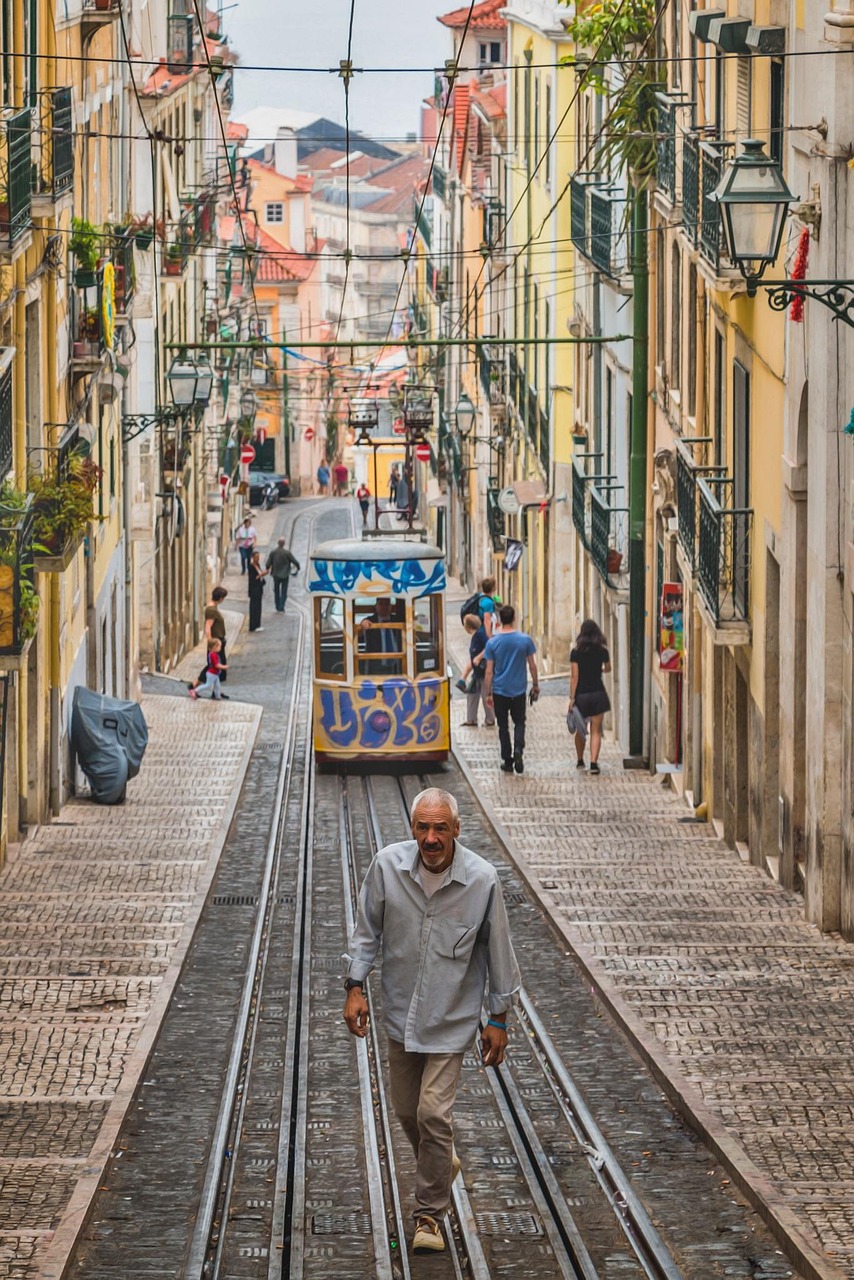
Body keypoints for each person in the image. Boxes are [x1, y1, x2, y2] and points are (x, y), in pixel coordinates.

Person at [343, 787, 520, 1255]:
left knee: (432, 1114)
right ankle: (442, 1163)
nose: (430, 837)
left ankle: (429, 1215)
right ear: (412, 828)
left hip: (451, 1019)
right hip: (400, 1014)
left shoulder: (482, 880)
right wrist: (354, 987)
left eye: (440, 827)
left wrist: (497, 1018)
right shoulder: (386, 867)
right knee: (406, 1111)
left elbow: (498, 949)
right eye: (422, 826)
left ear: (456, 831)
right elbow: (366, 932)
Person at [483, 604, 538, 774]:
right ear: (514, 618)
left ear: (499, 620)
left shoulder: (492, 643)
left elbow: (489, 671)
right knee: (520, 722)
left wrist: (488, 693)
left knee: (503, 726)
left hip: (500, 690)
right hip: (519, 690)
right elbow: (532, 665)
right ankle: (519, 750)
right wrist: (535, 685)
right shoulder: (525, 640)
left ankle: (507, 759)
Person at [569, 619, 611, 775]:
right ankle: (593, 763)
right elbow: (608, 668)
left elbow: (575, 677)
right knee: (596, 730)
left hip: (581, 696)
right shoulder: (602, 651)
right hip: (598, 693)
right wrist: (599, 669)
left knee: (580, 730)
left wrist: (572, 698)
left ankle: (580, 760)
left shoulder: (576, 652)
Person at [457, 613, 494, 728]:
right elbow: (472, 660)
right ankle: (471, 719)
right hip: (477, 672)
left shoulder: (479, 635)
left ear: (467, 626)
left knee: (485, 695)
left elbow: (489, 646)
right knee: (472, 695)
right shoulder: (475, 637)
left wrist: (479, 657)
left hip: (484, 671)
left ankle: (490, 719)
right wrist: (463, 677)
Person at [359, 597, 403, 674]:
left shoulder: (397, 620)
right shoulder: (370, 620)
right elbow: (361, 628)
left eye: (386, 604)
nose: (384, 607)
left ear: (390, 606)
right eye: (381, 604)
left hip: (398, 664)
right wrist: (363, 622)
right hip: (377, 665)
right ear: (376, 606)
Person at [265, 537, 301, 613]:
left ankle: (277, 606)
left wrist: (268, 568)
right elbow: (295, 562)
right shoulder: (287, 553)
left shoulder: (273, 552)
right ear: (284, 544)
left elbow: (268, 563)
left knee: (276, 590)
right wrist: (298, 567)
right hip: (285, 575)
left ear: (278, 543)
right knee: (284, 591)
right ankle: (281, 606)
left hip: (276, 575)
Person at [247, 548, 267, 632]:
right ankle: (253, 626)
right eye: (256, 557)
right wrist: (261, 574)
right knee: (254, 608)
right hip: (254, 590)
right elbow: (252, 579)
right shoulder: (251, 567)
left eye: (258, 557)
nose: (257, 558)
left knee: (258, 608)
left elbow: (260, 577)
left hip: (259, 589)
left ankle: (258, 624)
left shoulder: (258, 565)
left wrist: (262, 576)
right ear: (252, 557)